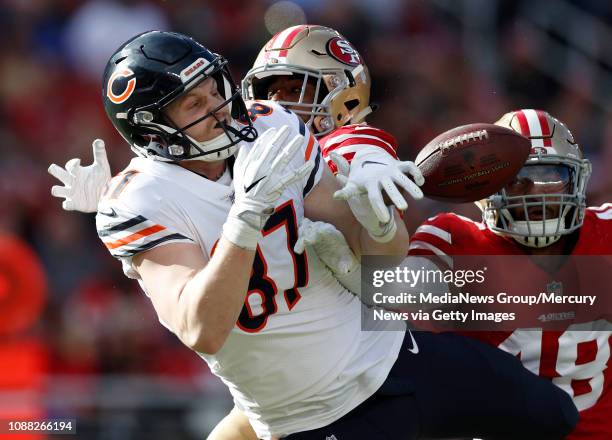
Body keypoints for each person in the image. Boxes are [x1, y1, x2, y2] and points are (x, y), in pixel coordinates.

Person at [49, 30, 578, 440]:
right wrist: (247, 215)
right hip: (316, 417)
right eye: (196, 105)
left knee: (555, 416)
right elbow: (200, 327)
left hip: (401, 357)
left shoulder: (273, 125)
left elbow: (379, 261)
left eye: (215, 88)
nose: (221, 107)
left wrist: (378, 221)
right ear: (151, 132)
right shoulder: (136, 203)